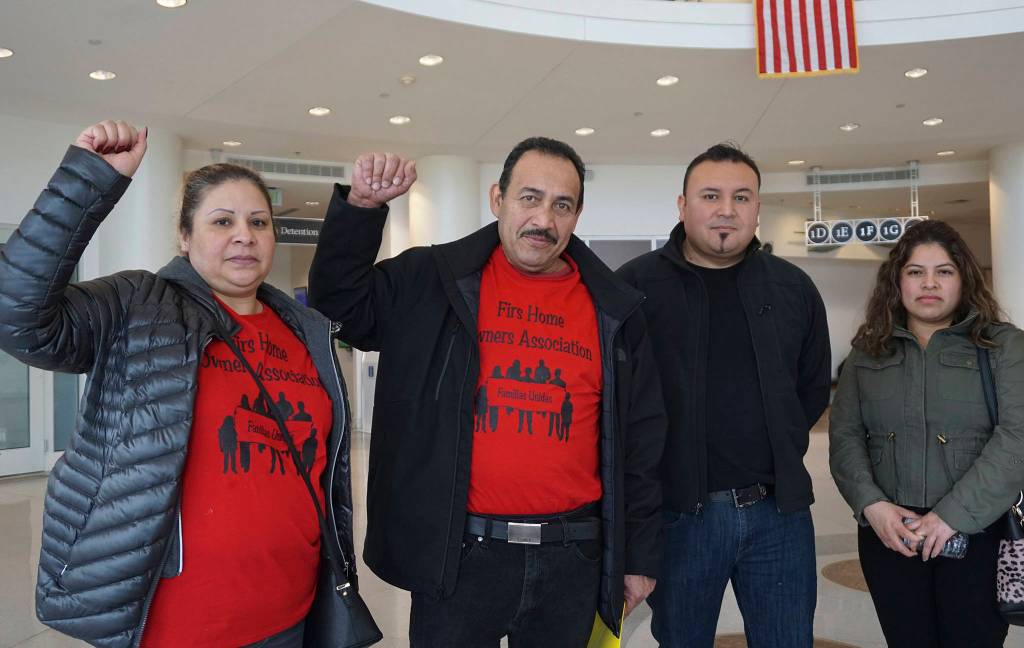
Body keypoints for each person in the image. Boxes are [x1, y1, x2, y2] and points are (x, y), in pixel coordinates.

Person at [0, 121, 359, 648]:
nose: (244, 234)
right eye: (222, 221)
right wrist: (88, 182)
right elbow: (19, 315)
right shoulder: (139, 305)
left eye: (259, 221)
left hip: (291, 612)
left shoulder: (305, 330)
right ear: (185, 237)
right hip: (179, 620)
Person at [308, 137, 666, 646]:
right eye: (529, 197)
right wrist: (362, 210)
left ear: (577, 214)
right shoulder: (431, 279)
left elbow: (643, 440)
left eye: (562, 205)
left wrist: (638, 556)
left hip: (575, 557)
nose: (544, 219)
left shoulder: (615, 308)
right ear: (498, 198)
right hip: (460, 555)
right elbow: (341, 308)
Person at [617, 143, 831, 647]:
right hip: (678, 519)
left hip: (778, 515)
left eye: (741, 197)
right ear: (682, 204)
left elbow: (812, 388)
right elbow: (615, 403)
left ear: (758, 208)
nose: (726, 209)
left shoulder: (793, 288)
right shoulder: (633, 288)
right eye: (710, 195)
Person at [829, 219, 1024, 647]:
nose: (929, 283)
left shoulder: (1003, 346)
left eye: (944, 271)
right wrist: (872, 506)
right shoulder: (868, 352)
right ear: (897, 281)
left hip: (978, 533)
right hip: (889, 537)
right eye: (916, 272)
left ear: (964, 279)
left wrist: (950, 516)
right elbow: (844, 437)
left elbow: (1017, 437)